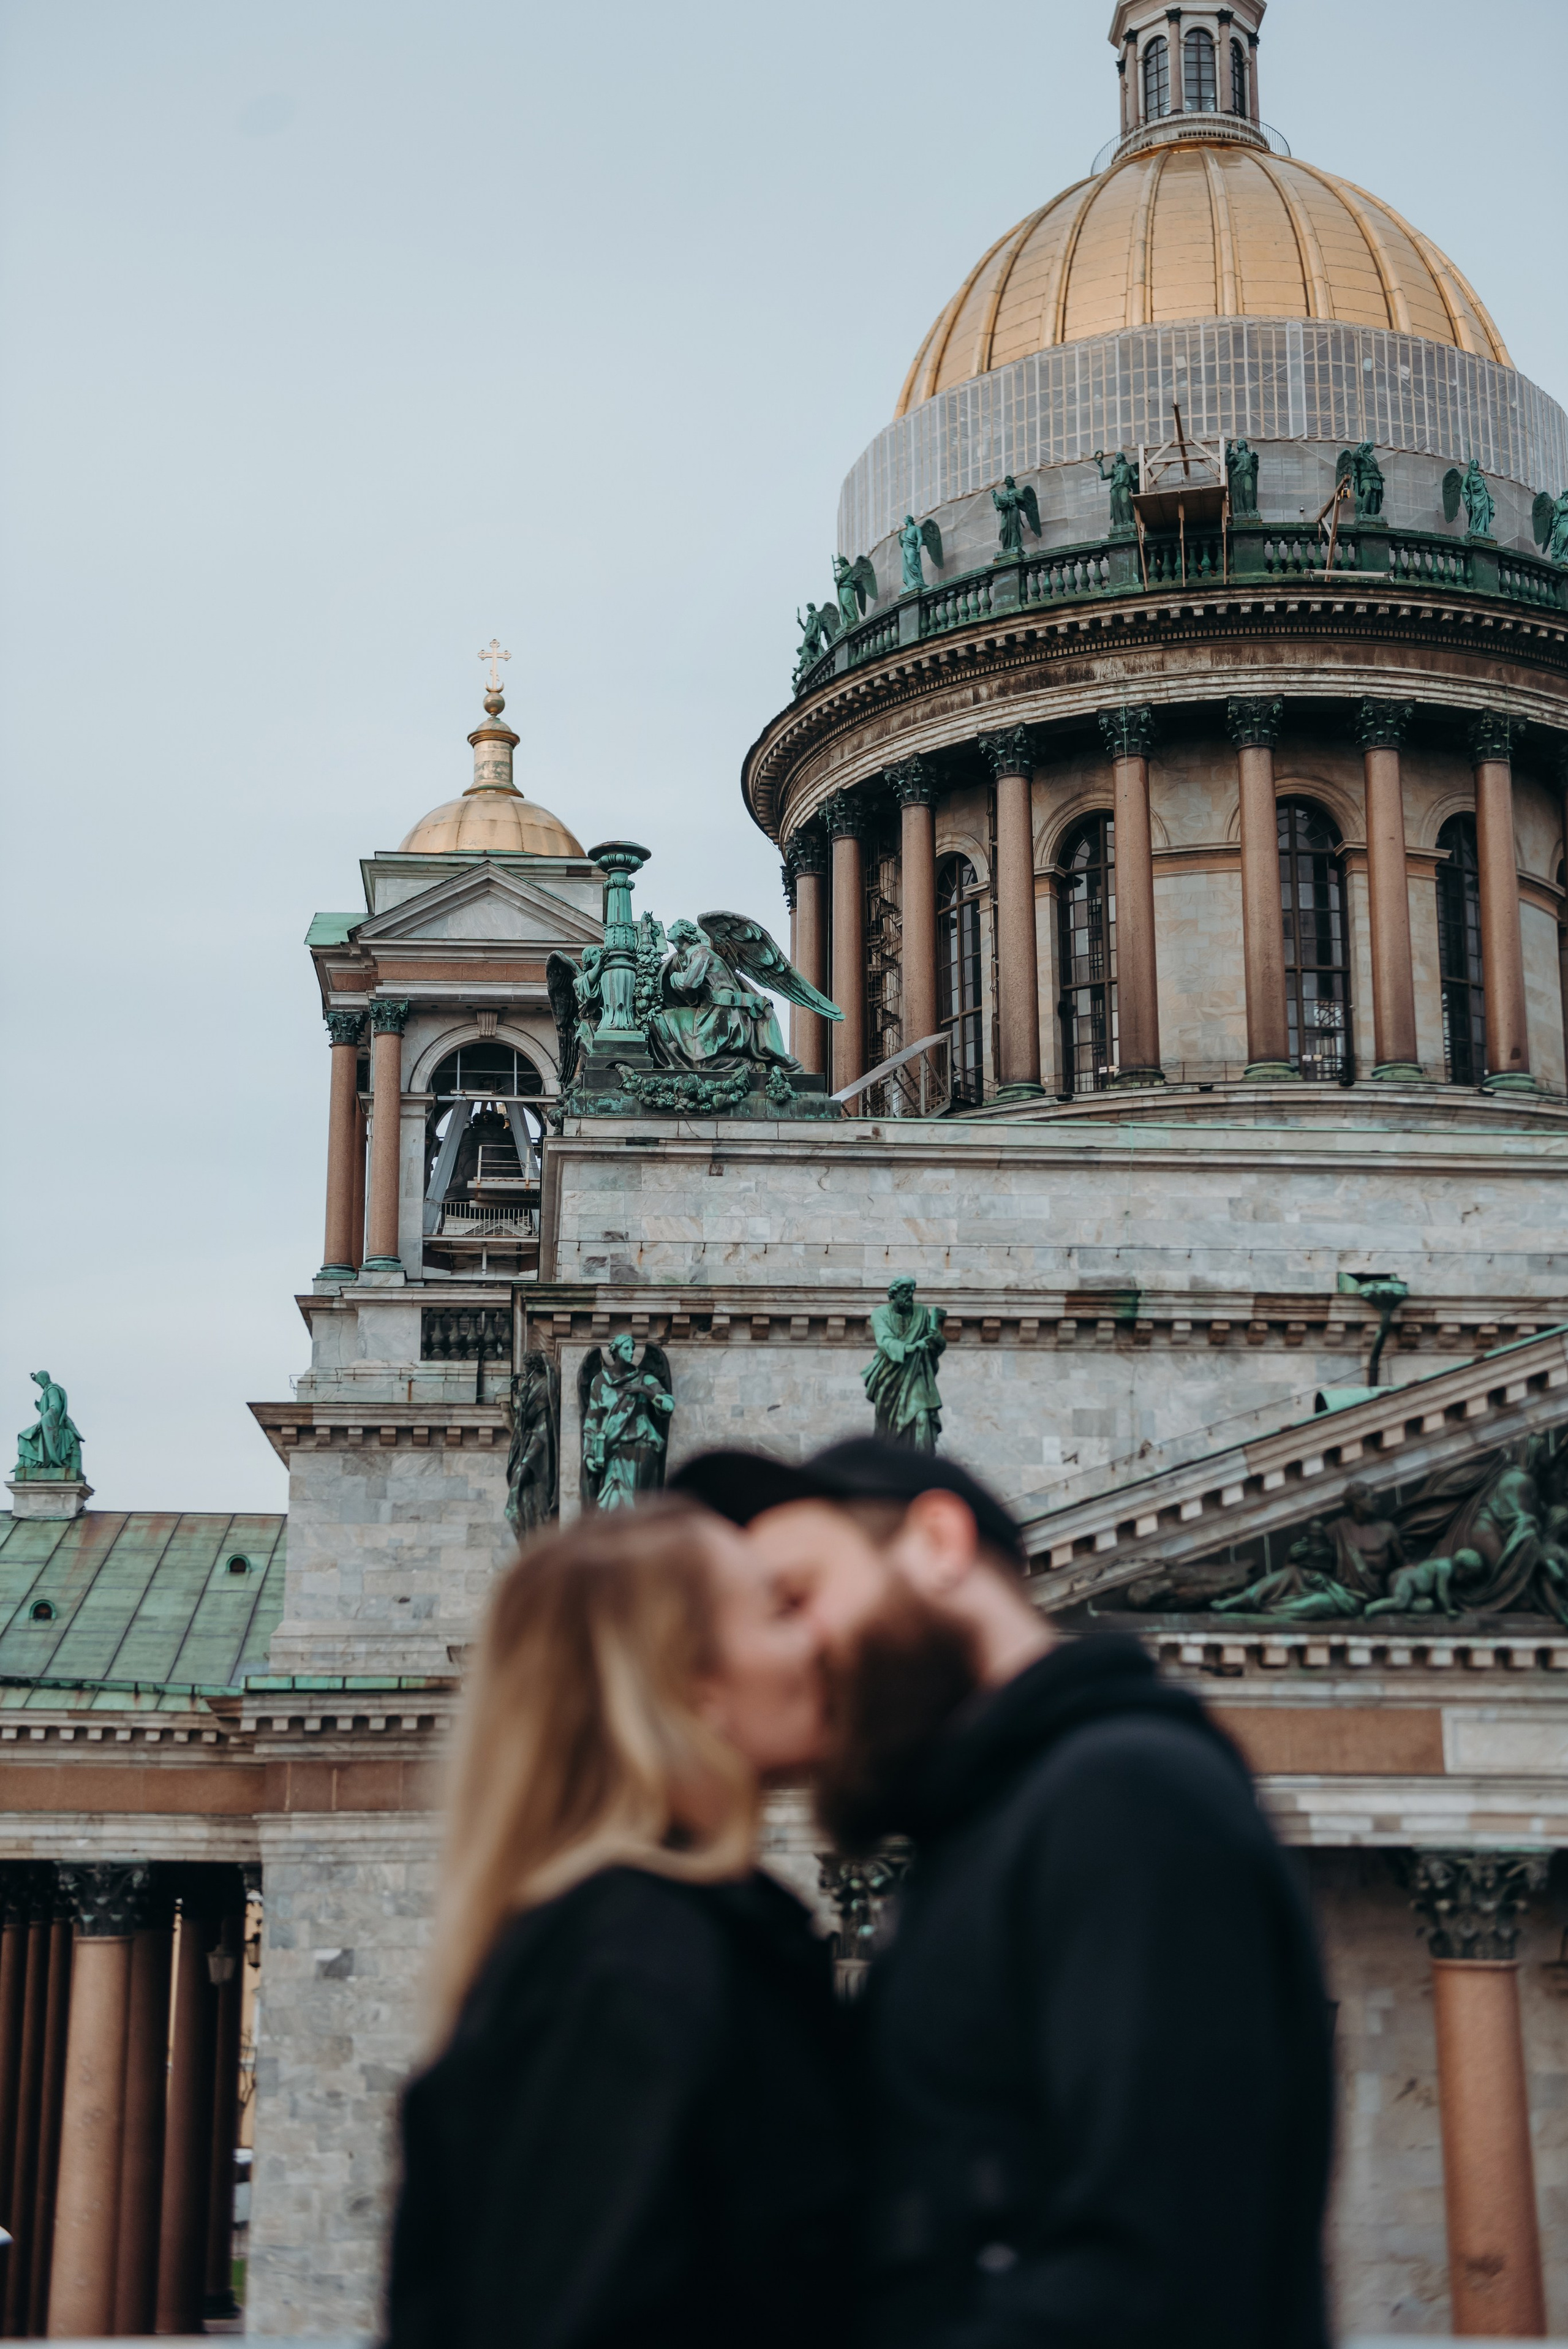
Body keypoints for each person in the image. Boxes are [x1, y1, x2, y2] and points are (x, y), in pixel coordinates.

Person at [671, 1437, 1333, 2349]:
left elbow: (1150, 2279)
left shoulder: (1123, 1799)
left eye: (798, 1598)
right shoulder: (993, 1829)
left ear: (938, 1543)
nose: (790, 1656)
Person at [384, 1499, 857, 2349]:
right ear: (692, 1684)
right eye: (781, 1610)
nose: (821, 1635)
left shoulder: (632, 1944)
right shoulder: (637, 1972)